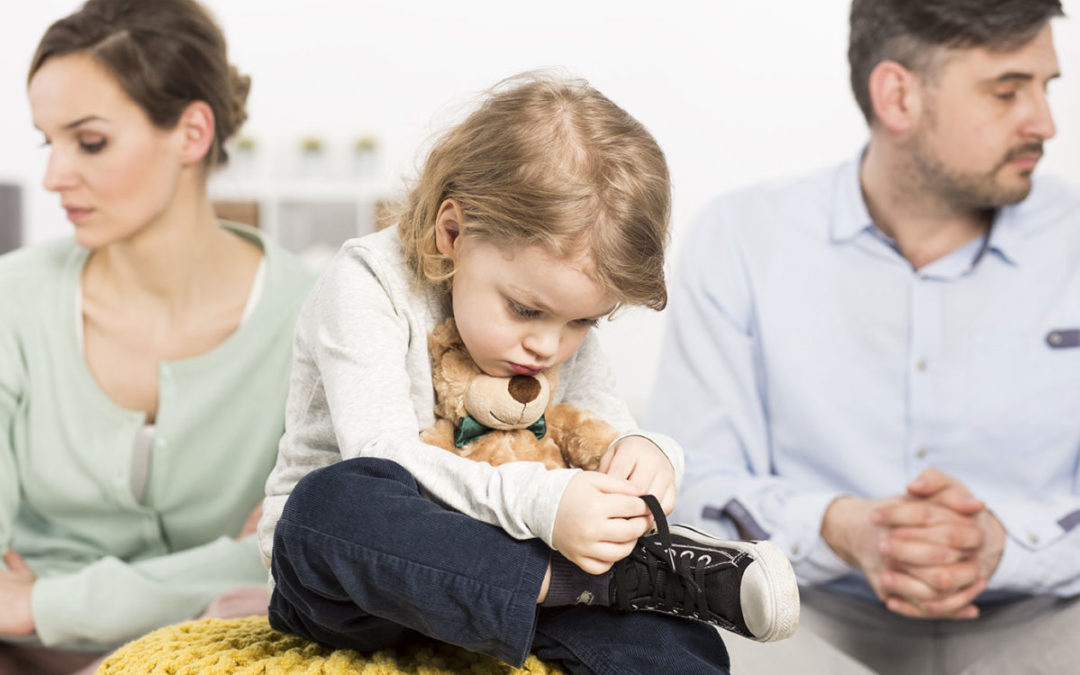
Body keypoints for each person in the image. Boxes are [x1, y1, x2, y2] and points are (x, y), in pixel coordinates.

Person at [258, 74, 800, 675]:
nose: (548, 345)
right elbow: (381, 455)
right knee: (330, 506)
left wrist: (647, 455)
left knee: (667, 639)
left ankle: (606, 584)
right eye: (524, 309)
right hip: (365, 587)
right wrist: (546, 504)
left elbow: (600, 427)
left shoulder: (556, 325)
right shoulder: (366, 283)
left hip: (527, 573)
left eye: (582, 323)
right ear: (453, 233)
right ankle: (578, 581)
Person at [646, 0, 1080, 673]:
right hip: (805, 622)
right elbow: (691, 482)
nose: (1045, 123)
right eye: (1007, 91)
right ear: (898, 95)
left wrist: (1005, 542)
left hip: (1046, 617)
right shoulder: (741, 239)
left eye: (1045, 87)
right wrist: (839, 527)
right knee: (675, 636)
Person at [0, 0, 313, 672]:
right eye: (45, 142)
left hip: (213, 654)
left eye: (88, 142)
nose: (54, 175)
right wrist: (204, 572)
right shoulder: (12, 299)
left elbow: (292, 552)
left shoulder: (314, 317)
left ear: (192, 132)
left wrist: (43, 601)